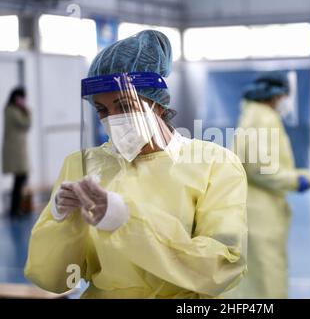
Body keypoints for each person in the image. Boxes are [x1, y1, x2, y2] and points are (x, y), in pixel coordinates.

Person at [25, 30, 248, 298]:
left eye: (125, 105)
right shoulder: (82, 165)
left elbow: (221, 268)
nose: (113, 119)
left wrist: (125, 222)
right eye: (103, 110)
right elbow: (52, 279)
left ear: (157, 105)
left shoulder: (214, 164)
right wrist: (62, 222)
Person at [228, 71, 310, 299]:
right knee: (267, 277)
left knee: (255, 276)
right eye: (285, 95)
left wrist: (307, 176)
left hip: (256, 207)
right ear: (276, 95)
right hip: (261, 212)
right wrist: (300, 180)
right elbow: (260, 168)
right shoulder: (263, 118)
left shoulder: (251, 115)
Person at [2, 87, 31, 218]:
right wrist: (26, 109)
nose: (23, 100)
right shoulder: (11, 110)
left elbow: (28, 124)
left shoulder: (16, 110)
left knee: (21, 178)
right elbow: (25, 122)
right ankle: (15, 210)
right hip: (14, 150)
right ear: (15, 97)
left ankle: (17, 208)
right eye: (21, 98)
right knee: (20, 178)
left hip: (18, 149)